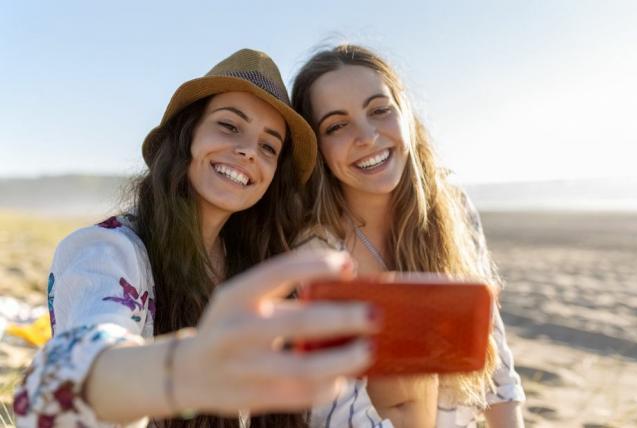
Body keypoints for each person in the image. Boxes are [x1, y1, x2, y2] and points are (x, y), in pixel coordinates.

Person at [13, 49, 380, 428]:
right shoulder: (108, 250)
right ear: (187, 135)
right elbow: (80, 369)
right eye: (229, 126)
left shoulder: (264, 271)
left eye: (269, 146)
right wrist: (183, 370)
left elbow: (337, 407)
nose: (248, 151)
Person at [291, 44, 526, 428]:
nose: (367, 135)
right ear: (317, 148)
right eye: (337, 125)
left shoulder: (451, 210)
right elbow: (335, 412)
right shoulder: (316, 252)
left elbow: (497, 370)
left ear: (405, 115)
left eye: (379, 110)